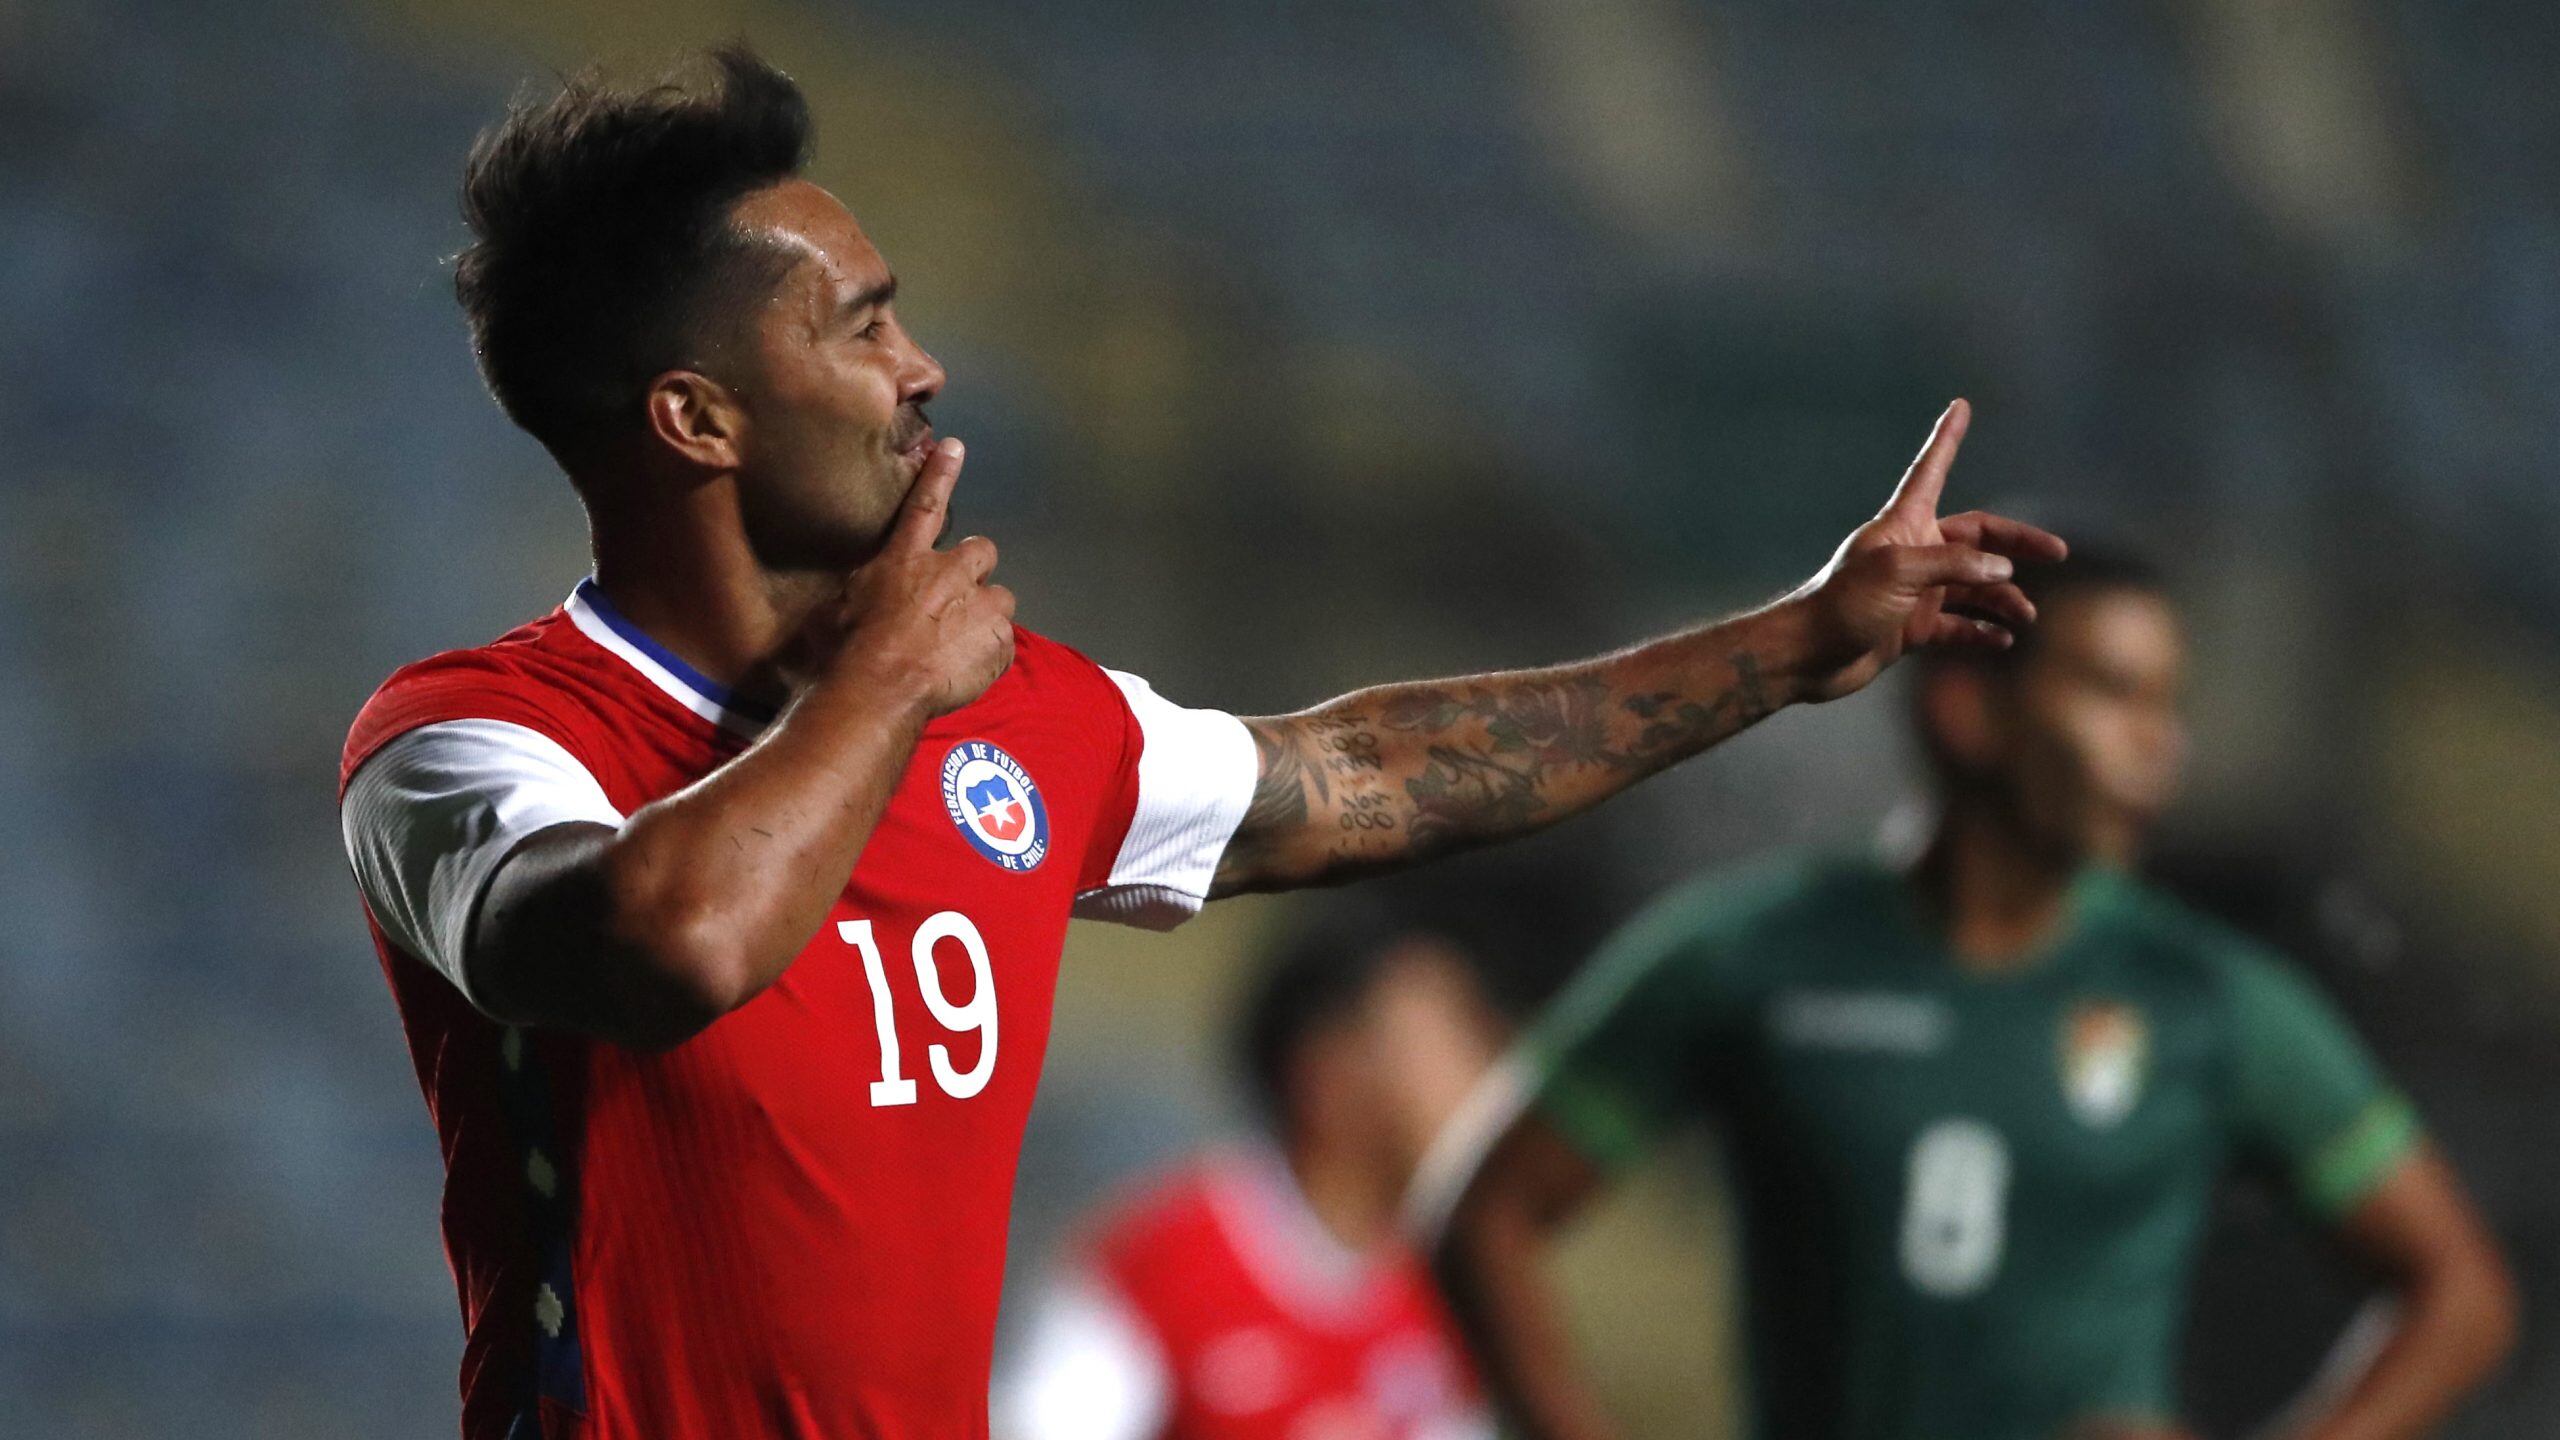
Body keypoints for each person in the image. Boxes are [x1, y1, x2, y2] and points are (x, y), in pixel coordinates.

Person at [333, 46, 2061, 1439]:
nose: (924, 368)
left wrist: (1789, 644)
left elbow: (1372, 773)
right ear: (697, 417)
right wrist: (886, 687)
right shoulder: (470, 744)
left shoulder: (1013, 721)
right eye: (859, 327)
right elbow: (673, 942)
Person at [1423, 548, 2520, 1440]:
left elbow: (2460, 1294)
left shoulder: (2206, 995)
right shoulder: (1751, 954)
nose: (2162, 745)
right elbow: (1485, 1217)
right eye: (2115, 694)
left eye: (2168, 702)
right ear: (1967, 711)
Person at [996, 895, 1511, 1440]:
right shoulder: (1158, 1269)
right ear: (1328, 1072)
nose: (1485, 1076)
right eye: (1446, 1040)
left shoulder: (1460, 1290)